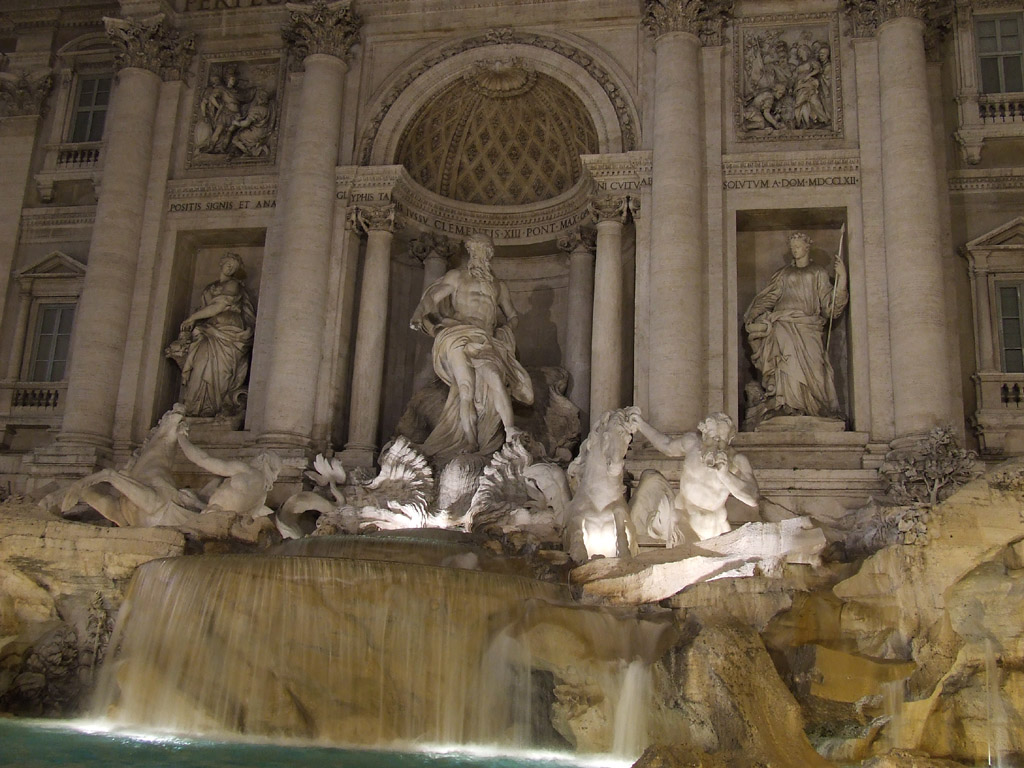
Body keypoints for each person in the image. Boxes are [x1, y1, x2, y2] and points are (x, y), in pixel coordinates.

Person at [410, 233, 534, 460]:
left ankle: (510, 431)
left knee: (495, 377)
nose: (481, 255)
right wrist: (420, 314)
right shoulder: (456, 276)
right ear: (470, 252)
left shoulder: (498, 286)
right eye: (476, 250)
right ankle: (470, 439)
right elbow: (432, 298)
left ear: (490, 254)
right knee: (465, 389)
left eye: (485, 250)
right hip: (457, 333)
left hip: (484, 338)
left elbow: (513, 315)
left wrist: (505, 330)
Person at [743, 232, 847, 420]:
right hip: (783, 324)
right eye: (793, 247)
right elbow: (770, 297)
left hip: (809, 326)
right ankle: (787, 404)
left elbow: (830, 307)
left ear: (807, 247)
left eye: (798, 246)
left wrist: (842, 280)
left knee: (816, 367)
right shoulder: (784, 274)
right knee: (786, 364)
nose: (795, 250)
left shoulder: (818, 273)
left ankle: (815, 407)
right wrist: (753, 314)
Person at [630, 411, 759, 543]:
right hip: (682, 518)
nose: (717, 443)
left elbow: (753, 497)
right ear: (704, 434)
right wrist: (641, 425)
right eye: (713, 436)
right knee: (649, 478)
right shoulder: (692, 443)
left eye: (722, 439)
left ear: (730, 439)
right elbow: (666, 446)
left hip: (712, 527)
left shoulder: (736, 460)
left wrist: (725, 475)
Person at [167, 253, 256, 418]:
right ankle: (195, 409)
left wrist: (192, 318)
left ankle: (214, 408)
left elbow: (219, 305)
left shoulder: (234, 285)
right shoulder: (210, 287)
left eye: (234, 267)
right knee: (200, 366)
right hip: (208, 331)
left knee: (222, 373)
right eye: (228, 265)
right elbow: (206, 308)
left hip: (229, 333)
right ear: (221, 264)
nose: (230, 269)